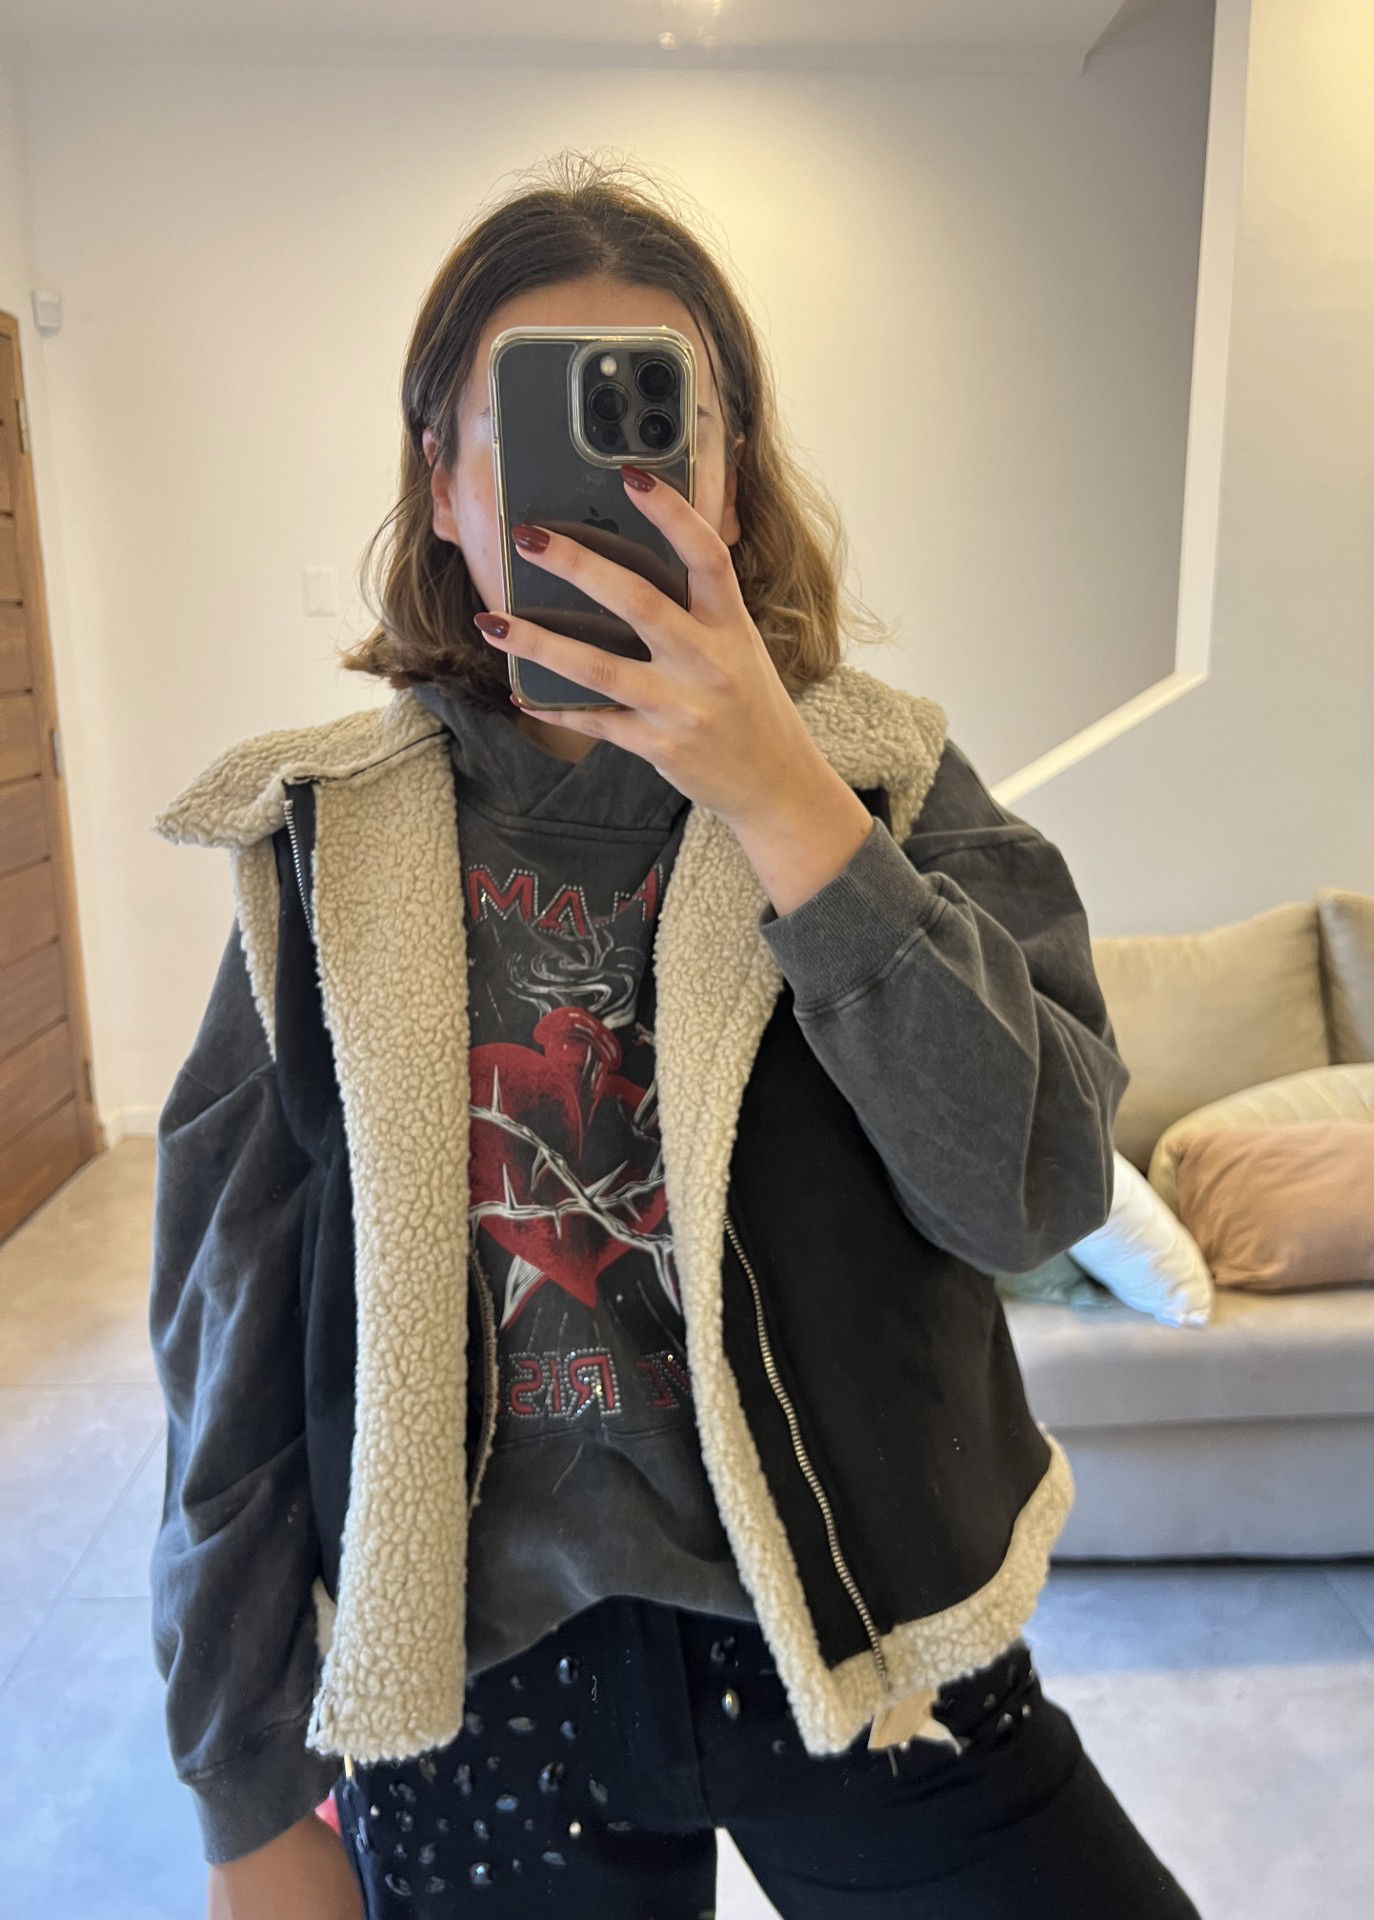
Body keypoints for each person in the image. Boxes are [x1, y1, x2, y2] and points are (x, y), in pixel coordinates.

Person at [148, 152, 1203, 1919]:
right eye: (531, 426)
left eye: (656, 425)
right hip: (484, 1693)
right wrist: (245, 1796)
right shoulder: (320, 844)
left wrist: (791, 807)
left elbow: (1035, 1189)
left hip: (868, 1639)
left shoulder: (884, 780)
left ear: (730, 471)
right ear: (444, 483)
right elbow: (226, 1347)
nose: (607, 483)